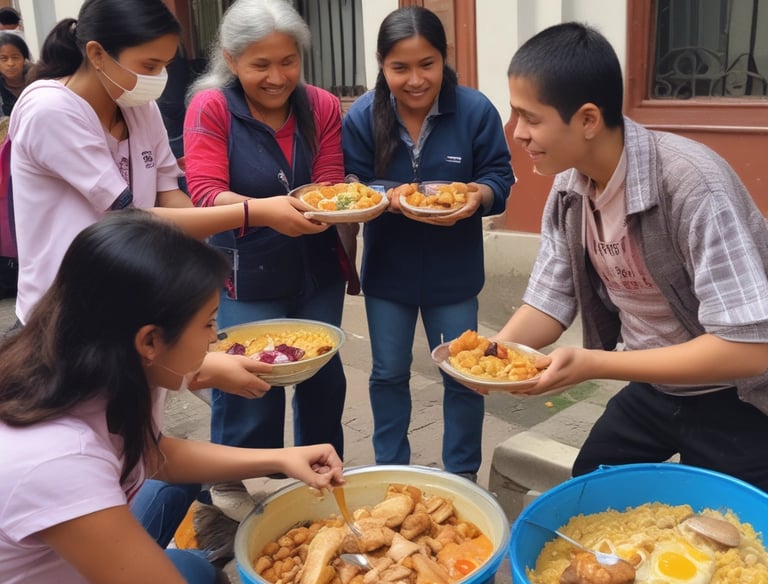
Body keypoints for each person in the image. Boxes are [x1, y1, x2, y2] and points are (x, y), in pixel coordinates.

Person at [6, 0, 331, 552]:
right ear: (96, 53)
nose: (159, 79)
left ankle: (154, 533)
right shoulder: (50, 111)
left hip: (141, 297)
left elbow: (172, 202)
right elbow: (133, 215)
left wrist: (202, 339)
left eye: (165, 66)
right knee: (106, 458)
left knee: (138, 443)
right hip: (74, 312)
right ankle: (124, 541)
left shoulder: (136, 107)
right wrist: (257, 211)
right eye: (150, 64)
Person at [0, 209, 344, 584]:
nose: (216, 338)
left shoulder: (100, 367)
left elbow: (152, 452)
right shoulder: (59, 461)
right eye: (209, 323)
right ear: (150, 340)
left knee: (198, 568)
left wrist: (281, 458)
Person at [496, 22, 768, 490]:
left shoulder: (691, 184)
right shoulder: (569, 186)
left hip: (736, 397)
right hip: (654, 387)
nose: (516, 132)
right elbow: (549, 299)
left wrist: (596, 365)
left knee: (732, 538)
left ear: (586, 119)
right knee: (589, 490)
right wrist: (491, 357)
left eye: (530, 117)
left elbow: (748, 345)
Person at [341, 6, 514, 482]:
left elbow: (499, 176)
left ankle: (462, 477)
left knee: (464, 377)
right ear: (381, 64)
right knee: (388, 375)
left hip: (454, 274)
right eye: (400, 67)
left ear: (445, 58)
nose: (415, 79)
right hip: (388, 273)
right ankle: (390, 472)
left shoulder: (475, 110)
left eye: (427, 64)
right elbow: (350, 182)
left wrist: (477, 195)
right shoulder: (361, 116)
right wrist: (384, 196)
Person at [183, 0, 351, 490]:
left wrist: (329, 203)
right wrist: (265, 210)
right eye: (260, 64)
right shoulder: (211, 107)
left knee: (321, 375)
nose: (277, 76)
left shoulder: (319, 104)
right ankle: (234, 490)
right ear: (232, 61)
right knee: (249, 382)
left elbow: (330, 179)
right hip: (244, 273)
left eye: (288, 61)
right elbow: (206, 193)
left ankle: (320, 477)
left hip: (317, 267)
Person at [0, 31, 30, 117]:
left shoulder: (38, 80)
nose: (11, 63)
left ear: (24, 59)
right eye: (3, 59)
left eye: (15, 57)